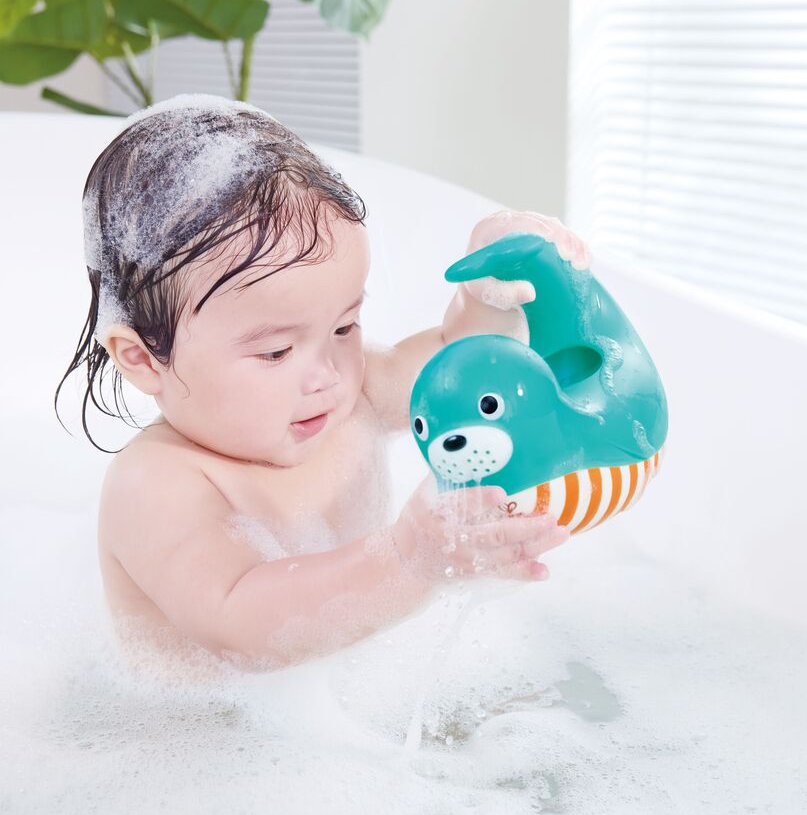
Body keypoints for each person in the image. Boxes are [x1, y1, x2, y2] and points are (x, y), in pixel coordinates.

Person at [56, 95, 585, 671]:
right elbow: (242, 624)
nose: (328, 372)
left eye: (343, 325)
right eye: (276, 350)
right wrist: (408, 560)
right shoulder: (158, 483)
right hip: (196, 745)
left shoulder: (348, 396)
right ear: (142, 359)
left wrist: (486, 290)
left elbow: (461, 372)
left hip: (327, 730)